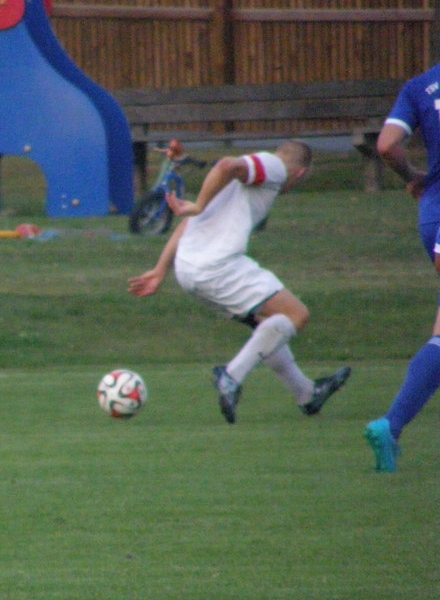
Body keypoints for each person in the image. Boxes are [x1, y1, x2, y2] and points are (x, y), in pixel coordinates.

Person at [128, 140, 350, 423]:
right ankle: (231, 376)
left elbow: (189, 222)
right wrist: (198, 205)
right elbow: (225, 165)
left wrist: (161, 269)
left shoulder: (244, 174)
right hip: (217, 266)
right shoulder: (275, 168)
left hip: (188, 267)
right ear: (300, 173)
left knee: (267, 325)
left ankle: (307, 393)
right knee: (296, 315)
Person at [363, 64, 440, 473]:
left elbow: (388, 144)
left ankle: (390, 426)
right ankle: (390, 424)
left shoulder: (420, 87)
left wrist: (413, 177)